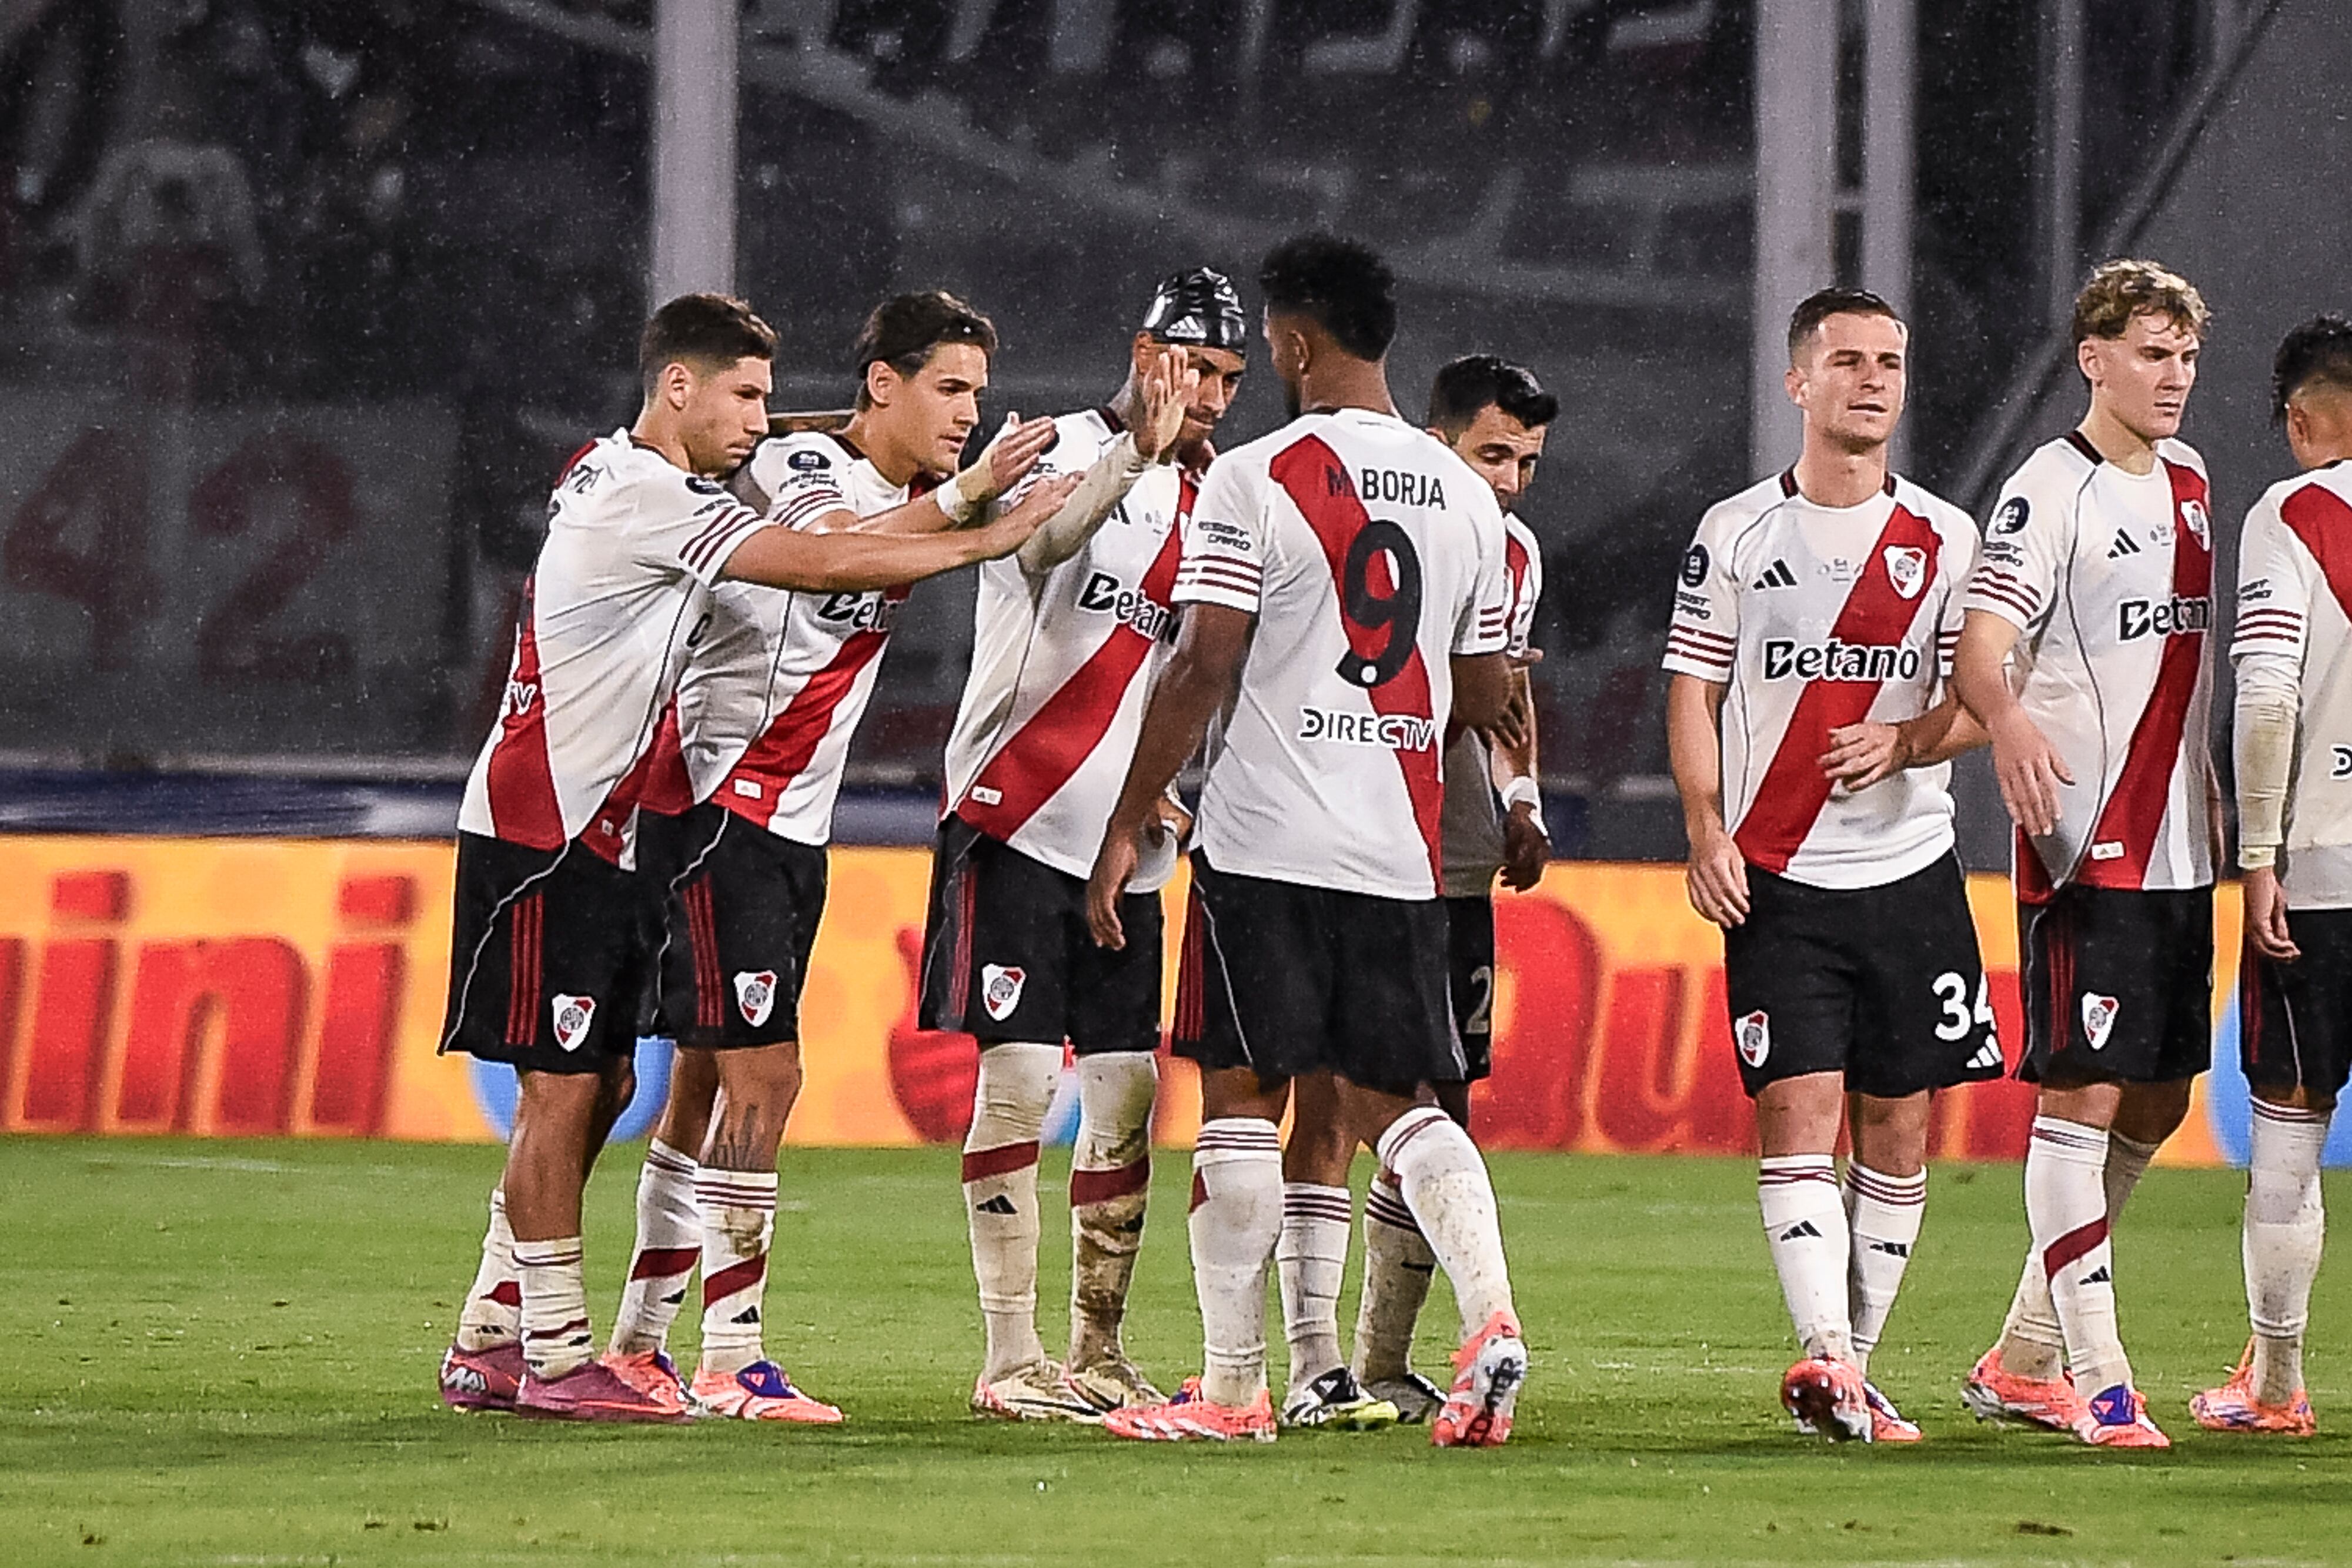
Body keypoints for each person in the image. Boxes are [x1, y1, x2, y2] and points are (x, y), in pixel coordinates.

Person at [433, 293, 1067, 1422]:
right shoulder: (669, 500)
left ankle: (510, 1332)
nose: (761, 420)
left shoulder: (633, 479)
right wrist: (984, 528)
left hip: (623, 822)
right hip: (596, 822)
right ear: (680, 387)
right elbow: (821, 560)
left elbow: (815, 528)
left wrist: (955, 495)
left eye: (770, 401)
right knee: (600, 1083)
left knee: (625, 1081)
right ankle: (638, 1355)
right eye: (744, 396)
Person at [595, 291, 1178, 1422]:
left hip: (787, 821)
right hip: (727, 800)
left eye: (975, 391)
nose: (969, 412)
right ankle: (732, 1358)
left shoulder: (895, 485)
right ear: (884, 386)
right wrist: (975, 508)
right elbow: (834, 556)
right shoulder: (810, 469)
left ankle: (635, 1343)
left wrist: (1044, 477)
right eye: (950, 388)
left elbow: (960, 528)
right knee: (767, 1075)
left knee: (708, 1080)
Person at [1085, 233, 1526, 1447]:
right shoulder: (1467, 501)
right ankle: (1489, 1317)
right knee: (1404, 1100)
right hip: (1396, 851)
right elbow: (1486, 685)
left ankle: (1234, 1388)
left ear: (1289, 344)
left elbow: (1199, 663)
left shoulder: (1255, 476)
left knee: (1240, 1096)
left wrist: (1124, 822)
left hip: (1266, 843)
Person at [1663, 286, 1996, 1444]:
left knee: (1897, 1126)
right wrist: (1704, 827)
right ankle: (1824, 1356)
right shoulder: (1736, 532)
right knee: (1796, 1107)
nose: (1871, 379)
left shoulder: (1947, 540)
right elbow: (1692, 689)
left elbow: (1983, 698)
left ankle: (1849, 1364)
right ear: (1797, 381)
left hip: (1908, 867)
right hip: (1775, 874)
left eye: (1889, 362)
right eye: (1846, 359)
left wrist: (1905, 738)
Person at [918, 269, 1244, 1422]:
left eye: (1224, 376)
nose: (1205, 393)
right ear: (1140, 348)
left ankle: (1096, 1349)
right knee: (1014, 1079)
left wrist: (1163, 789)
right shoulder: (1050, 447)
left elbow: (1186, 672)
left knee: (1124, 1091)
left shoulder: (1223, 502)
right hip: (1013, 812)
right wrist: (1132, 457)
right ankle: (1009, 1357)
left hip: (1123, 842)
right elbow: (1042, 544)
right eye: (1190, 365)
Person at [1953, 258, 2217, 1450]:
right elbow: (1982, 637)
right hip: (2084, 839)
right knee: (2082, 1093)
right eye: (2150, 353)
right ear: (2091, 358)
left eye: (2184, 356)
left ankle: (2019, 1352)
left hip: (2179, 845)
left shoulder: (2195, 483)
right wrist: (2006, 721)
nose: (2172, 377)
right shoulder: (2044, 489)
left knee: (2157, 1097)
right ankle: (2101, 1379)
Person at [1317, 354, 1553, 1425]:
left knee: (1436, 1100)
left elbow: (1508, 696)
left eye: (1526, 462)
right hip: (1353, 850)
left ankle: (1372, 1365)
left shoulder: (1515, 549)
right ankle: (1299, 1362)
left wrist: (1525, 800)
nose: (1508, 481)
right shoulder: (1387, 522)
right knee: (1329, 1102)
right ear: (1437, 438)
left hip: (1455, 864)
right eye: (1492, 454)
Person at [2192, 314, 2352, 1436]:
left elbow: (2266, 696)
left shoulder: (2292, 515)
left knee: (2291, 1116)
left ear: (2300, 421)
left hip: (2328, 865)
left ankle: (2278, 1383)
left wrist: (2258, 859)